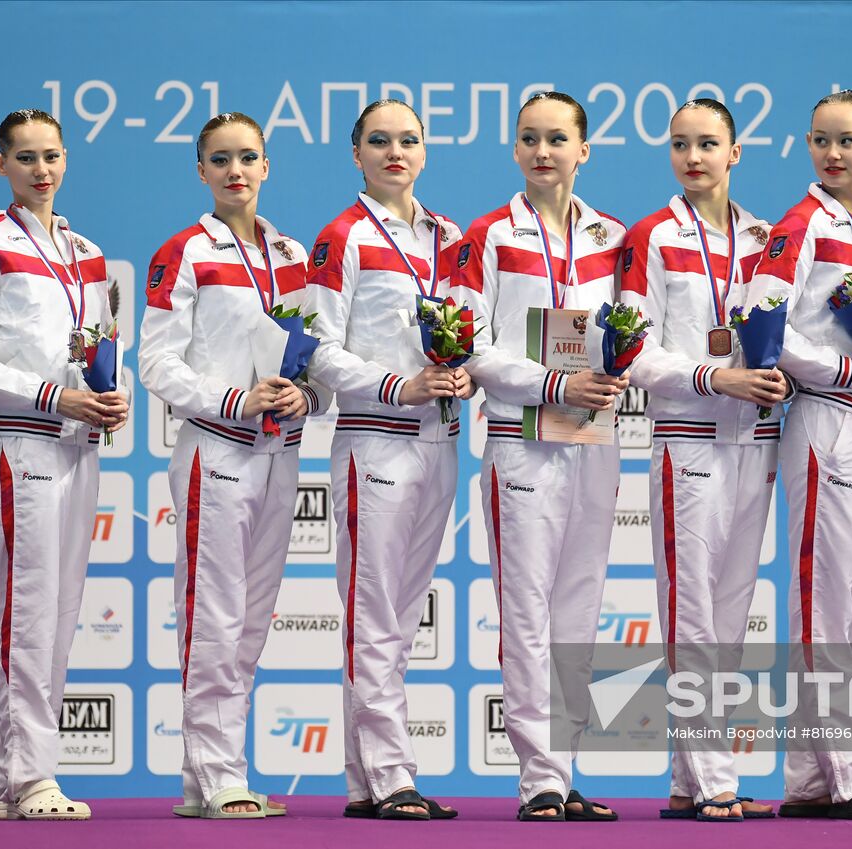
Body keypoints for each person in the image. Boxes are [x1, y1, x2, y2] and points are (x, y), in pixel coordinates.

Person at [140, 112, 331, 819]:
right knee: (213, 614)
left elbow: (314, 357)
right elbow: (156, 362)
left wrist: (302, 393)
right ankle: (218, 770)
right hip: (215, 449)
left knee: (250, 617)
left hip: (281, 449)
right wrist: (233, 399)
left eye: (248, 157)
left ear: (267, 165)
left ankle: (208, 774)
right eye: (220, 160)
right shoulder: (184, 252)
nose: (236, 171)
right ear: (201, 171)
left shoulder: (291, 254)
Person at [0, 108, 128, 821]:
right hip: (21, 441)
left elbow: (94, 345)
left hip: (77, 445)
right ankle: (32, 775)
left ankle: (5, 779)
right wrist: (60, 397)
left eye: (51, 156)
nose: (41, 170)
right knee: (29, 612)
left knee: (57, 615)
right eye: (25, 158)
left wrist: (105, 398)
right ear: (1, 165)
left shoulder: (85, 251)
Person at [454, 91, 625, 822]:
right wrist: (554, 380)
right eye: (529, 138)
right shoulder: (489, 235)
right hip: (522, 438)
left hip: (592, 435)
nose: (544, 150)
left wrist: (611, 375)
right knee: (526, 610)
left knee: (578, 610)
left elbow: (630, 333)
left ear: (584, 149)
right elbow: (473, 346)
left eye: (558, 138)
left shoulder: (613, 236)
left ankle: (564, 764)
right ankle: (539, 779)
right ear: (515, 150)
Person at [616, 98, 782, 822]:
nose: (693, 157)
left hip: (756, 440)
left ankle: (689, 779)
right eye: (680, 144)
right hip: (686, 440)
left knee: (731, 612)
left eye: (708, 143)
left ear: (735, 152)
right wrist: (717, 377)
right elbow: (631, 351)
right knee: (693, 613)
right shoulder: (650, 236)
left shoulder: (765, 237)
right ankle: (716, 774)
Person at [304, 99, 467, 821]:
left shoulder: (451, 237)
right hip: (374, 435)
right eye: (379, 141)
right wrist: (399, 383)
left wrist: (466, 372)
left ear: (425, 152)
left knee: (399, 618)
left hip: (440, 438)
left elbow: (470, 331)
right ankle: (393, 774)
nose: (394, 151)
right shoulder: (341, 237)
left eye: (407, 140)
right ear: (356, 154)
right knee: (372, 615)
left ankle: (365, 780)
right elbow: (319, 348)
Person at [752, 91, 852, 821]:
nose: (833, 153)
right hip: (828, 423)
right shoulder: (802, 221)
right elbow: (761, 322)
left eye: (847, 141)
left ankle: (809, 779)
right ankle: (848, 771)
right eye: (820, 140)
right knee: (826, 605)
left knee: (850, 610)